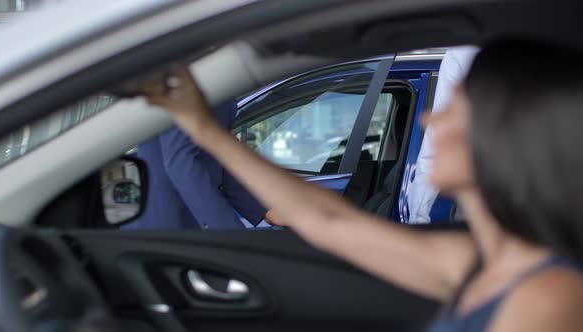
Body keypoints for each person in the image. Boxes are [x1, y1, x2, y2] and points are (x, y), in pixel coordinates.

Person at [144, 39, 583, 332]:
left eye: (454, 109)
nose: (431, 119)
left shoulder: (548, 299)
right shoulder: (477, 263)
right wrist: (202, 127)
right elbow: (325, 220)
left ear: (504, 134)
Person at [124, 102, 269, 230]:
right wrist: (229, 232)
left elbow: (214, 157)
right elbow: (181, 160)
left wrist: (262, 209)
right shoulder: (189, 77)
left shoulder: (216, 79)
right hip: (169, 221)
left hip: (183, 219)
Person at [406, 46, 479, 223]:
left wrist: (417, 218)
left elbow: (430, 154)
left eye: (452, 111)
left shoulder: (463, 52)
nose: (427, 120)